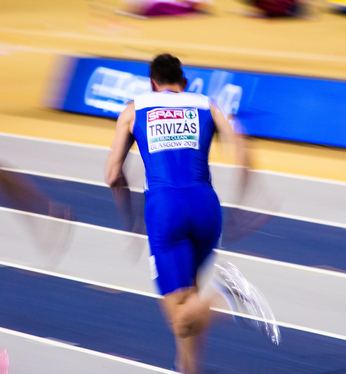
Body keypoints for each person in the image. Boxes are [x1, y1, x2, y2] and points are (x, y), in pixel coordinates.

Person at [104, 53, 257, 373]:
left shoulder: (134, 110)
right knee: (189, 298)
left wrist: (129, 220)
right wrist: (240, 205)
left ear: (152, 83)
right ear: (183, 83)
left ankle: (227, 295)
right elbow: (242, 153)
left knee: (181, 320)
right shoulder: (207, 104)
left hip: (165, 211)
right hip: (205, 206)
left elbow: (112, 175)